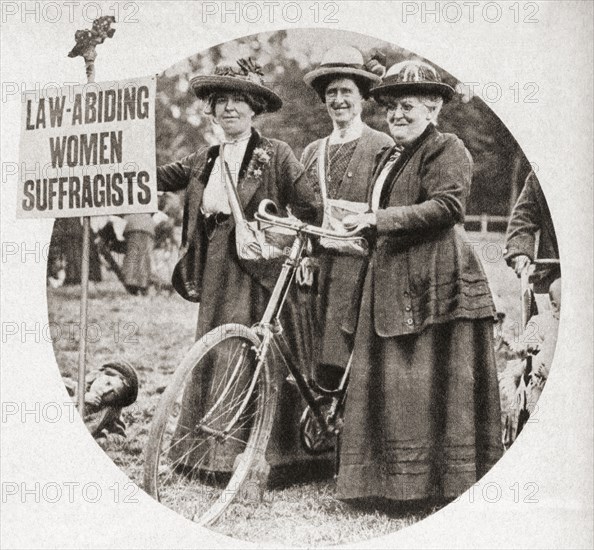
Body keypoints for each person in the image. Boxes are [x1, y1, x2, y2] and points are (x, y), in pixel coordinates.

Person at [336, 60, 503, 504]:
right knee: (395, 380)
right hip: (392, 274)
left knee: (423, 380)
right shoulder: (391, 157)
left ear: (434, 109)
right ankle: (387, 484)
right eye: (391, 109)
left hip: (437, 278)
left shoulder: (448, 147)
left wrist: (378, 218)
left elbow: (447, 207)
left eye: (408, 106)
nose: (398, 116)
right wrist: (357, 226)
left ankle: (432, 487)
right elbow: (379, 217)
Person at [156, 58, 322, 476]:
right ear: (210, 110)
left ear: (254, 109)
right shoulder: (203, 159)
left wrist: (272, 242)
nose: (229, 108)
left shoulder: (276, 154)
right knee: (212, 347)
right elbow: (154, 177)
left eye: (239, 101)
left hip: (257, 271)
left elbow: (311, 210)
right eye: (221, 101)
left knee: (246, 351)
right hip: (213, 264)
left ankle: (247, 458)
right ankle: (203, 455)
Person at [299, 46, 393, 387]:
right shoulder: (312, 151)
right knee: (311, 345)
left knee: (348, 352)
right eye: (331, 93)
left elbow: (390, 206)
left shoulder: (382, 145)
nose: (338, 100)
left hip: (361, 268)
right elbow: (300, 206)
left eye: (346, 92)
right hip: (316, 267)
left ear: (362, 97)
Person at [504, 170, 560, 294]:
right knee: (557, 291)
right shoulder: (543, 174)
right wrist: (520, 250)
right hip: (556, 272)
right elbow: (523, 217)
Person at [63, 361, 139, 450]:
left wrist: (103, 440)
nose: (105, 391)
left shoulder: (108, 411)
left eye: (113, 393)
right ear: (98, 375)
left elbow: (120, 436)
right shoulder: (69, 387)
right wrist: (80, 399)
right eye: (108, 383)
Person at [122, 213, 156, 296]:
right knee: (143, 257)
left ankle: (131, 283)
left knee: (132, 255)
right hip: (147, 226)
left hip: (132, 225)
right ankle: (143, 285)